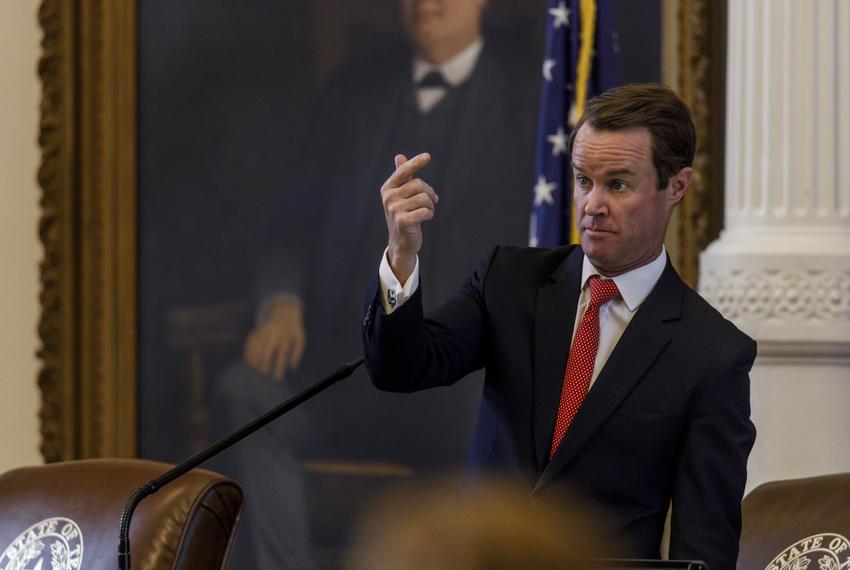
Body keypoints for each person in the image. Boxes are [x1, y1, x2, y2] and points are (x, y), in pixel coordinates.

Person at [363, 83, 757, 570]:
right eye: (582, 180)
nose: (592, 204)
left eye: (618, 184)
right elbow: (401, 368)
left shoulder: (712, 354)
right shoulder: (508, 279)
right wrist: (401, 255)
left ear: (675, 186)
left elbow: (705, 547)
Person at [213, 0, 540, 566]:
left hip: (455, 385)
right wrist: (281, 303)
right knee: (245, 391)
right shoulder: (351, 93)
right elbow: (291, 224)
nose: (425, 4)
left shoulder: (534, 100)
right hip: (344, 373)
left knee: (499, 423)